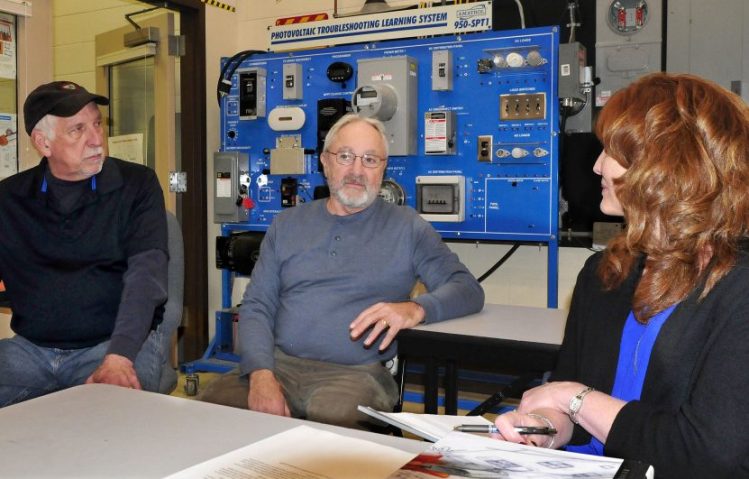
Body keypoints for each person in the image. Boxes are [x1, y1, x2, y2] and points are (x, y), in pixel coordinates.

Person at [493, 73, 749, 478]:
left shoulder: (737, 290)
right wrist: (544, 426)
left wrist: (576, 399)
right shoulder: (603, 274)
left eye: (613, 151)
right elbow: (567, 402)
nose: (596, 165)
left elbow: (710, 453)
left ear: (666, 167)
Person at [200, 114, 484, 429]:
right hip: (277, 365)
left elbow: (467, 289)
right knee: (213, 409)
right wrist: (260, 375)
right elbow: (257, 305)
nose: (357, 171)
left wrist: (417, 308)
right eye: (345, 157)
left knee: (333, 423)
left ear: (383, 167)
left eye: (370, 159)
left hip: (357, 373)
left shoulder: (408, 228)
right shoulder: (287, 224)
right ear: (325, 162)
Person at [0, 81, 169, 406]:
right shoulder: (9, 199)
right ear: (43, 143)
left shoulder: (137, 186)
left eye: (96, 123)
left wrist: (119, 357)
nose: (96, 139)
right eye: (77, 129)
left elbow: (147, 277)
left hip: (112, 345)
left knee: (108, 421)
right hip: (30, 350)